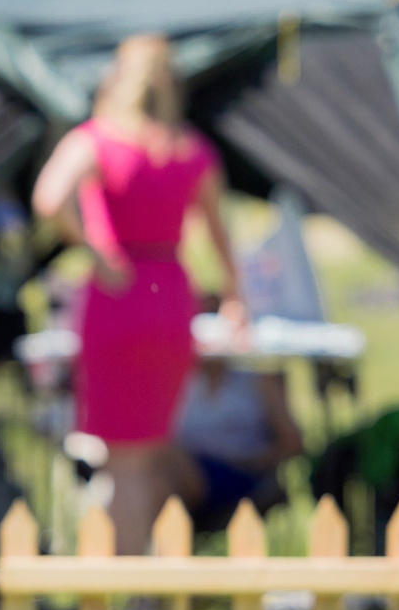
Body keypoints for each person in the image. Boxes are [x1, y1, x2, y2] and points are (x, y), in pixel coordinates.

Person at [32, 33, 245, 554]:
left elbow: (48, 197)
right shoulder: (189, 148)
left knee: (122, 459)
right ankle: (141, 565)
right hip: (171, 295)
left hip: (118, 293)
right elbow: (221, 235)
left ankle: (130, 579)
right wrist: (238, 299)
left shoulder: (97, 139)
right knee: (149, 450)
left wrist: (93, 249)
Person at [171, 355, 303, 525]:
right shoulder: (180, 378)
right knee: (155, 475)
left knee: (158, 469)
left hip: (240, 474)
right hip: (180, 471)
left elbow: (293, 441)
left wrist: (259, 461)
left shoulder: (257, 378)